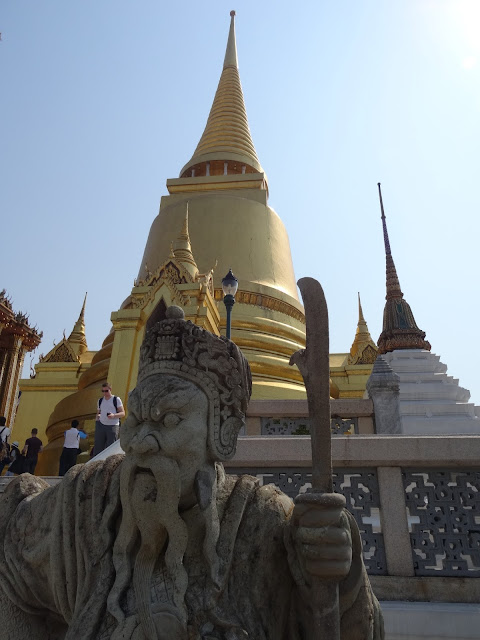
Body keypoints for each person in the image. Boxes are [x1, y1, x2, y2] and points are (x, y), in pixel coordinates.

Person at [0, 307, 383, 639]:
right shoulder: (86, 507)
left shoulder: (264, 525)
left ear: (223, 430)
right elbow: (10, 549)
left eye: (169, 419)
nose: (140, 442)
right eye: (137, 418)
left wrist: (343, 580)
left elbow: (344, 630)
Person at [94, 382, 125, 455]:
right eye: (103, 391)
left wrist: (113, 415)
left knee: (111, 448)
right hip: (101, 425)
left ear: (110, 389)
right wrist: (97, 417)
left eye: (106, 391)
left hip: (112, 425)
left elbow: (123, 413)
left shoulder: (116, 399)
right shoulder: (100, 400)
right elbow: (98, 412)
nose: (105, 393)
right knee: (98, 447)